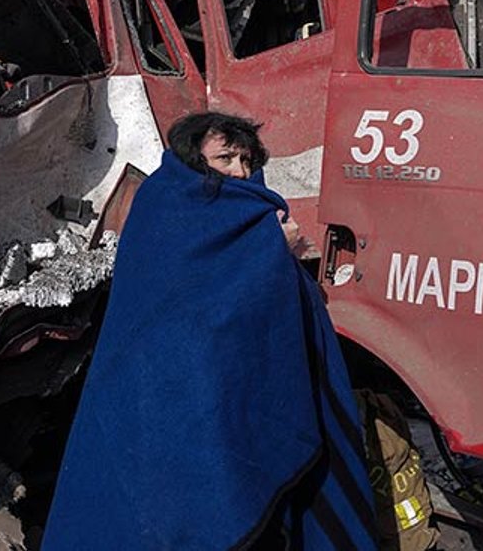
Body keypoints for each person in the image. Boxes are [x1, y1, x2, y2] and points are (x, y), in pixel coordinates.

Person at [42, 112, 378, 550]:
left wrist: (273, 254)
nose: (239, 172)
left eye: (246, 160)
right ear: (192, 159)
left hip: (227, 395)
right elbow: (182, 304)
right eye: (225, 159)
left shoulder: (253, 218)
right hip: (157, 395)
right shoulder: (165, 205)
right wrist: (274, 248)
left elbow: (256, 313)